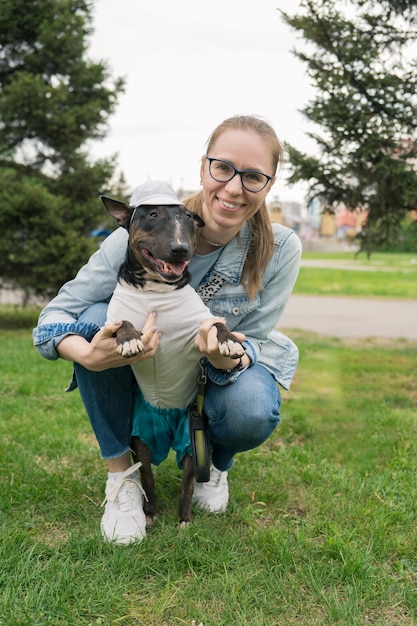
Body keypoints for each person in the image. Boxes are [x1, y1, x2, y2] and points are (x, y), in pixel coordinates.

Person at [33, 114, 302, 545]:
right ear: (203, 167)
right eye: (223, 168)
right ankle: (121, 478)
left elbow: (258, 337)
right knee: (93, 320)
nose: (234, 188)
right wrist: (83, 352)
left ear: (268, 185)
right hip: (142, 364)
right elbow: (56, 315)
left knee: (252, 405)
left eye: (253, 177)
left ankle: (211, 462)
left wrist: (221, 354)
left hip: (209, 374)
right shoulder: (140, 228)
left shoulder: (282, 248)